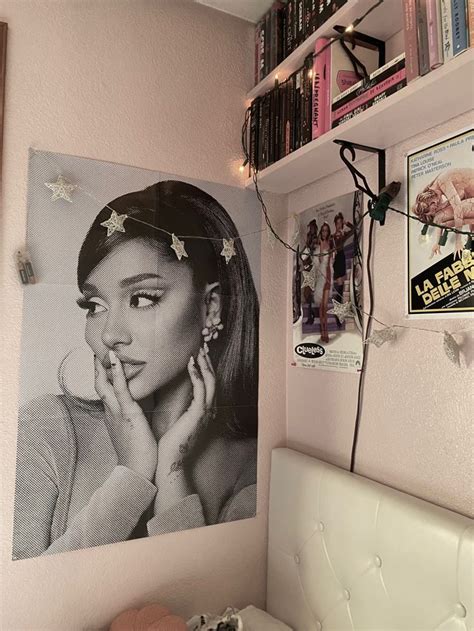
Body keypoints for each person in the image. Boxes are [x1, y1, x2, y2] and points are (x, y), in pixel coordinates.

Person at [12, 180, 259, 560]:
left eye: (142, 298)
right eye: (95, 304)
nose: (109, 334)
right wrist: (132, 474)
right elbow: (21, 604)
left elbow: (200, 601)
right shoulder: (45, 431)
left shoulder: (250, 470)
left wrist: (173, 469)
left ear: (211, 307)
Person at [332, 212, 354, 328]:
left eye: (341, 223)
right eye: (338, 223)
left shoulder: (343, 233)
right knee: (340, 287)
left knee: (341, 288)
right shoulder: (332, 237)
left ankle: (338, 312)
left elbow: (354, 229)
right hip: (337, 261)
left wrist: (347, 223)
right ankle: (338, 313)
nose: (339, 225)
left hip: (342, 258)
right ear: (335, 224)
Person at [314, 222, 333, 344]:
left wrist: (329, 278)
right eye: (323, 231)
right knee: (321, 307)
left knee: (325, 307)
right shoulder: (319, 246)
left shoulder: (330, 245)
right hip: (321, 277)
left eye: (326, 230)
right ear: (321, 233)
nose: (325, 233)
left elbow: (330, 263)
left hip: (328, 276)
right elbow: (320, 260)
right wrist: (321, 246)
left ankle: (326, 332)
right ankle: (323, 333)